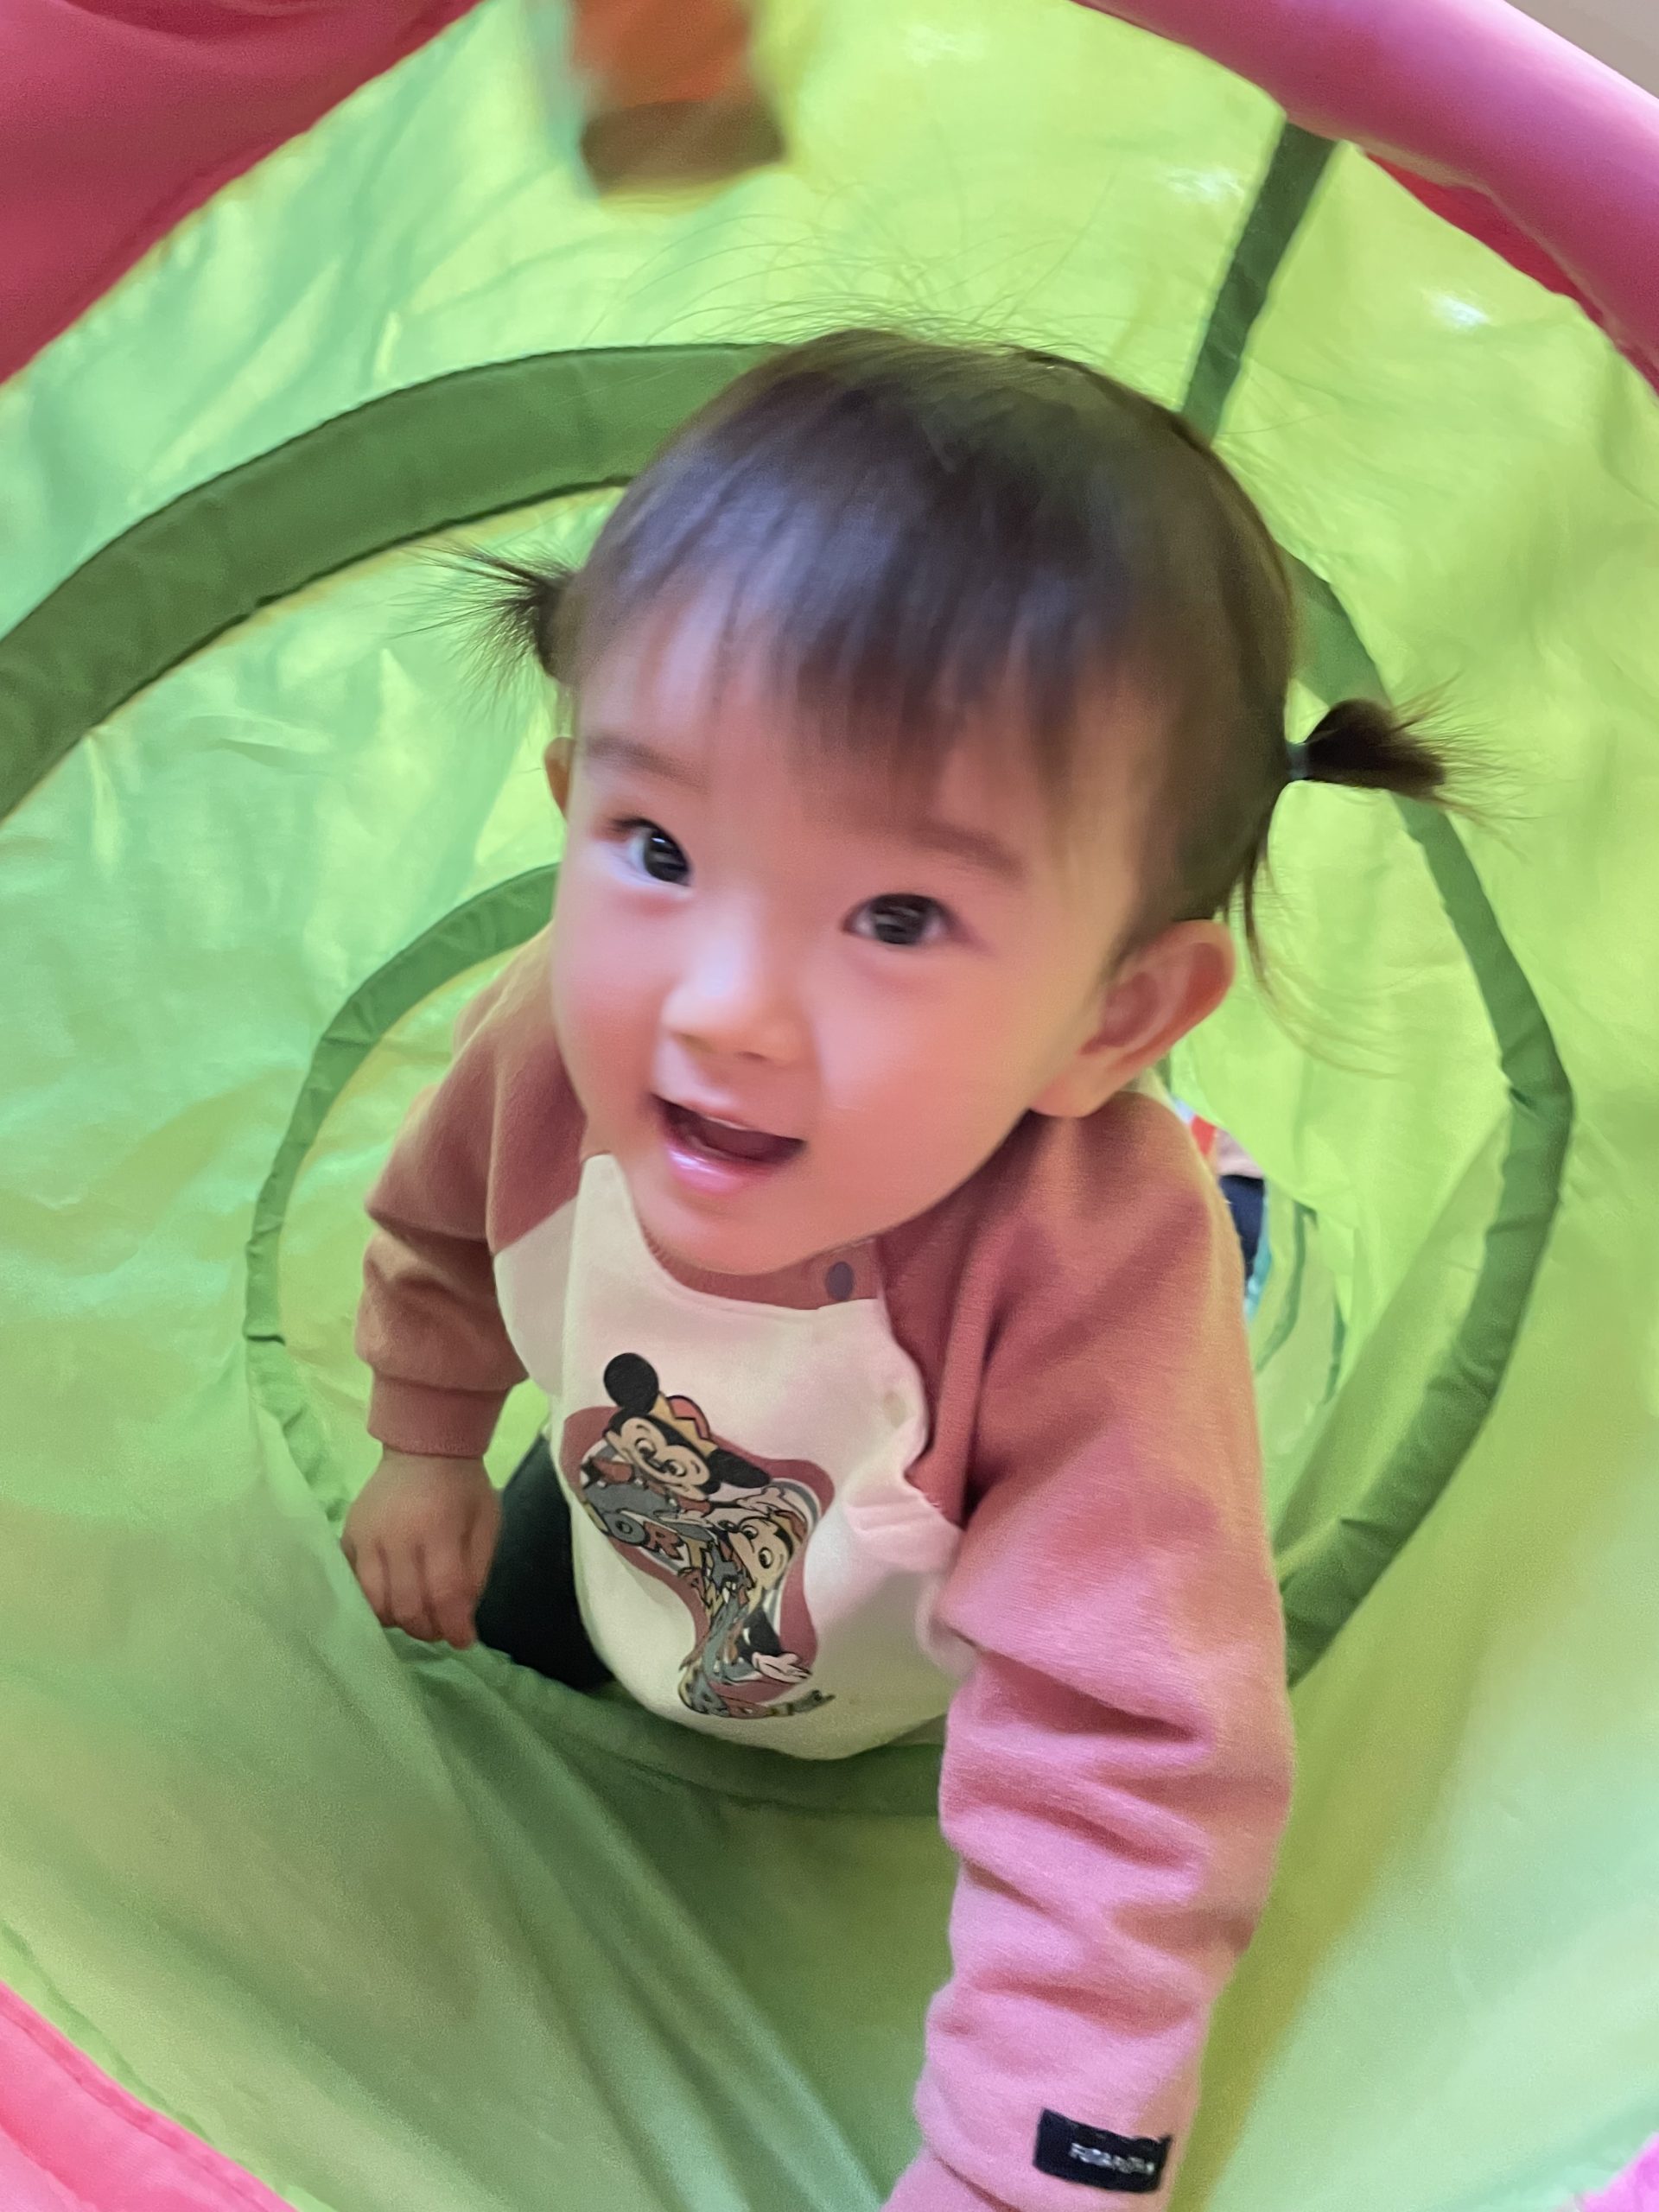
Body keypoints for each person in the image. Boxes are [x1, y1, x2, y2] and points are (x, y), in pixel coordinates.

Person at [341, 330, 1448, 2211]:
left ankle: (1251, 1217)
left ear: (1113, 1014)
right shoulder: (550, 1036)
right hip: (678, 1505)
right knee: (504, 1679)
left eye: (899, 914)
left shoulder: (1093, 1288)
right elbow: (443, 1230)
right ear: (571, 796)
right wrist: (426, 1443)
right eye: (660, 845)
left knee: (1158, 1515)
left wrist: (1034, 2170)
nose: (722, 1006)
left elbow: (1125, 1756)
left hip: (953, 1582)